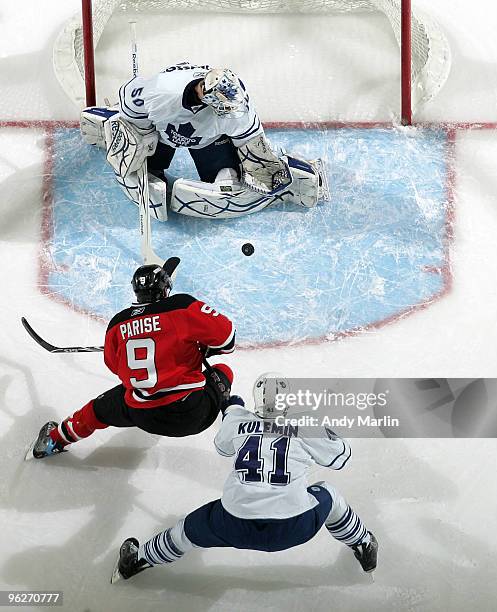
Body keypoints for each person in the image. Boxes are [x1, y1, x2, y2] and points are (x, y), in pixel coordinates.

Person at [111, 373, 378, 583]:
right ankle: (364, 544)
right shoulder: (306, 426)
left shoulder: (239, 421)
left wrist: (231, 411)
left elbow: (223, 446)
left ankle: (137, 561)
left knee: (184, 533)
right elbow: (342, 458)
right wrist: (327, 429)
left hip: (232, 522)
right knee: (329, 493)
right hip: (293, 526)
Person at [29, 257, 235, 459]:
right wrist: (202, 348)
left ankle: (52, 441)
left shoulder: (118, 323)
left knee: (96, 410)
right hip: (191, 413)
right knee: (222, 372)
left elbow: (114, 365)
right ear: (165, 289)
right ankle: (234, 422)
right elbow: (228, 340)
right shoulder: (181, 306)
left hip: (142, 413)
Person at [80, 62, 328, 220]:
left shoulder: (238, 108)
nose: (229, 114)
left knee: (223, 175)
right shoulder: (161, 91)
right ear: (205, 95)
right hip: (161, 131)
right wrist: (136, 140)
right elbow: (131, 103)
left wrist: (270, 172)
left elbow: (252, 146)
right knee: (144, 156)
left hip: (209, 139)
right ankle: (112, 129)